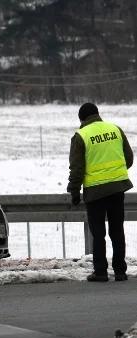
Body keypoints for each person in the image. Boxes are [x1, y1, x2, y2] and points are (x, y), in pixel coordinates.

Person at [67, 103, 133, 282]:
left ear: (81, 119)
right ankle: (120, 271)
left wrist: (74, 191)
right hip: (118, 188)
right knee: (117, 230)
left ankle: (101, 272)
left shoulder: (81, 136)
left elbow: (77, 169)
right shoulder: (115, 129)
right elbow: (129, 158)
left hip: (95, 191)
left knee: (98, 233)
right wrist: (115, 173)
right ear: (97, 114)